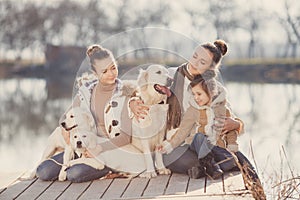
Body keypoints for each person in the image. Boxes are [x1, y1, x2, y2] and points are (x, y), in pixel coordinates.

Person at [130, 40, 258, 181]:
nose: (194, 63)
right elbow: (143, 89)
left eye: (202, 62)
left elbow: (230, 115)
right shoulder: (171, 76)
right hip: (178, 142)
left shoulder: (215, 89)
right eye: (195, 56)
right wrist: (132, 102)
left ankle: (214, 164)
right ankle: (218, 163)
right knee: (175, 158)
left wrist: (236, 125)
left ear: (210, 69)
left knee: (207, 152)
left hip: (207, 142)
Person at [37, 44, 144, 182]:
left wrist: (99, 148)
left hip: (111, 150)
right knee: (43, 171)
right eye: (104, 71)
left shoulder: (125, 92)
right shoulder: (85, 92)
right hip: (83, 146)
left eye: (113, 68)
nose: (111, 74)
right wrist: (65, 131)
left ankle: (109, 167)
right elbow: (66, 116)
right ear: (95, 74)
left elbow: (125, 138)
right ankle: (83, 161)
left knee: (74, 174)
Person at [158, 74, 240, 179]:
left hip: (216, 149)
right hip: (194, 149)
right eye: (193, 94)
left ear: (211, 92)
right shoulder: (193, 110)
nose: (196, 97)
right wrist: (169, 145)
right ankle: (212, 166)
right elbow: (182, 132)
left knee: (230, 159)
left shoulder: (222, 109)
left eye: (199, 94)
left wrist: (232, 145)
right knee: (196, 139)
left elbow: (231, 132)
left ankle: (203, 168)